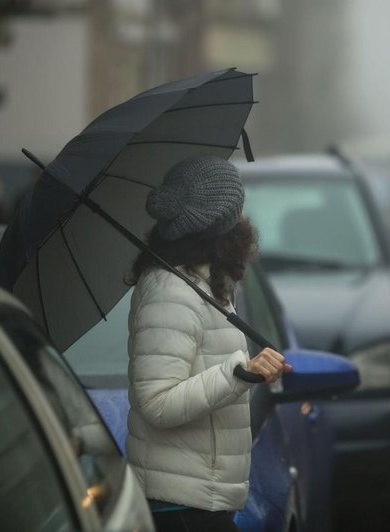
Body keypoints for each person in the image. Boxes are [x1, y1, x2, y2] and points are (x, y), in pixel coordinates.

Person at [125, 156, 290, 532]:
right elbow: (157, 402)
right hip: (179, 509)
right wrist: (240, 374)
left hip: (201, 503)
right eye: (238, 215)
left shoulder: (203, 284)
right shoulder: (170, 291)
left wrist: (249, 373)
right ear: (223, 228)